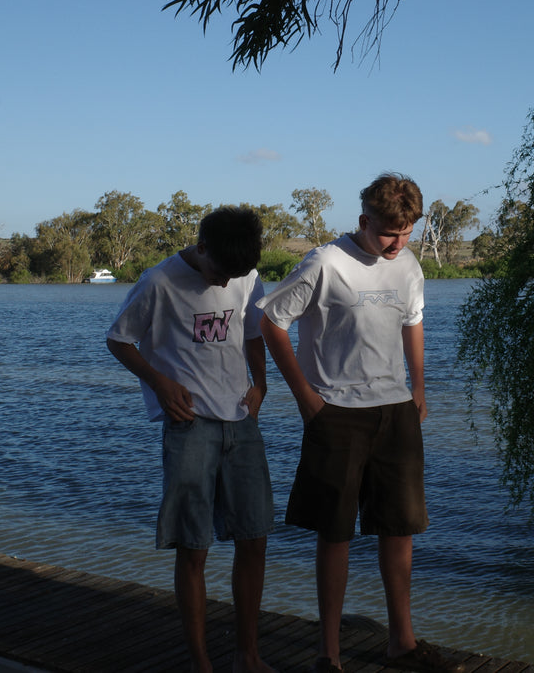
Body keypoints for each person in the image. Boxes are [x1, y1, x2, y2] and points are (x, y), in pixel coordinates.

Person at [257, 174, 461, 673]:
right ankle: (329, 653)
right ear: (364, 220)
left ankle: (402, 642)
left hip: (396, 412)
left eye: (408, 231)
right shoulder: (325, 262)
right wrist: (304, 395)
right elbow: (271, 322)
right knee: (335, 533)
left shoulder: (409, 263)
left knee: (400, 529)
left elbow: (412, 322)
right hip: (338, 414)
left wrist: (418, 387)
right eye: (389, 233)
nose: (398, 243)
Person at [105, 206, 276, 673]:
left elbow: (253, 333)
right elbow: (119, 340)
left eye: (234, 276)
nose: (225, 284)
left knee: (255, 538)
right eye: (219, 272)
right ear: (201, 248)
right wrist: (158, 382)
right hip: (189, 426)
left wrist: (260, 385)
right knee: (193, 546)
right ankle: (201, 663)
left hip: (241, 421)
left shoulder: (244, 274)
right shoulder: (158, 283)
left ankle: (248, 657)